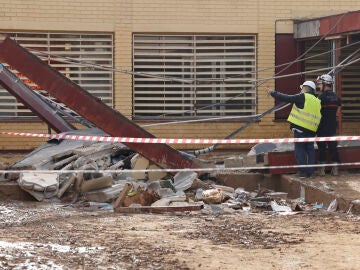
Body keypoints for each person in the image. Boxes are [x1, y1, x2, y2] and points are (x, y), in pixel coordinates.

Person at [267, 81, 321, 178]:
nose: (301, 90)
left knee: (300, 150)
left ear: (306, 88)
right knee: (310, 150)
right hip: (312, 130)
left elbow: (287, 98)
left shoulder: (302, 96)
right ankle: (311, 172)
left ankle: (302, 171)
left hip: (300, 129)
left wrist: (272, 92)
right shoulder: (317, 100)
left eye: (302, 88)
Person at [315, 74, 341, 176]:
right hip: (332, 127)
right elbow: (338, 113)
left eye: (320, 84)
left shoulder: (320, 97)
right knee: (333, 148)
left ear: (325, 84)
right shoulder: (336, 97)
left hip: (322, 127)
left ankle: (321, 171)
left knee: (322, 148)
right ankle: (335, 170)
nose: (319, 86)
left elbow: (316, 112)